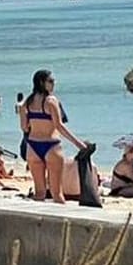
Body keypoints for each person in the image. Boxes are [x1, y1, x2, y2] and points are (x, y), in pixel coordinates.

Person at [22, 69, 87, 203]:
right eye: (50, 81)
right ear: (42, 82)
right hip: (51, 146)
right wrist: (78, 143)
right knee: (57, 194)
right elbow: (59, 126)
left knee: (39, 193)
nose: (53, 84)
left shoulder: (27, 102)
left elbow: (24, 127)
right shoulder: (51, 101)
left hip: (33, 146)